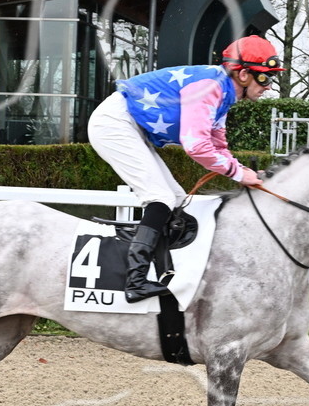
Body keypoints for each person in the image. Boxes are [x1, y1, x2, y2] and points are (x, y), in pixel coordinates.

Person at [86, 35, 285, 301]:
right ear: (244, 74)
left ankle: (165, 273)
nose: (268, 87)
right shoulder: (210, 87)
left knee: (177, 199)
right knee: (160, 197)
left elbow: (217, 145)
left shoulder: (224, 92)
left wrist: (245, 173)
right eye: (265, 78)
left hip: (131, 127)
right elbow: (197, 147)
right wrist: (238, 174)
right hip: (114, 123)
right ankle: (135, 281)